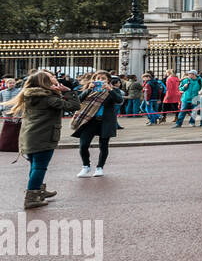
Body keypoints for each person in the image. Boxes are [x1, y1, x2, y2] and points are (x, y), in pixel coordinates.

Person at [10, 70, 82, 209]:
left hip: (30, 135)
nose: (55, 78)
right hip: (43, 135)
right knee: (40, 166)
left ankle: (39, 191)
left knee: (35, 165)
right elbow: (74, 106)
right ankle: (31, 198)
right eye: (51, 77)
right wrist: (68, 91)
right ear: (45, 82)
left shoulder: (31, 95)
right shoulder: (49, 98)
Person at [72, 71, 125, 178]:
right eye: (98, 78)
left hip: (105, 121)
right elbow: (78, 101)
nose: (100, 81)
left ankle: (100, 167)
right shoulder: (88, 90)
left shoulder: (113, 90)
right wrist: (88, 89)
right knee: (83, 145)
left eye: (103, 78)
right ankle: (86, 166)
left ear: (108, 80)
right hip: (89, 121)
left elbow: (119, 100)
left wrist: (110, 90)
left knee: (103, 146)